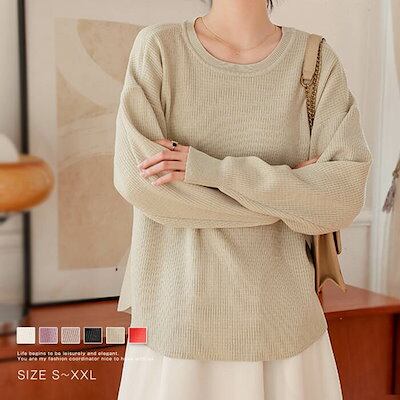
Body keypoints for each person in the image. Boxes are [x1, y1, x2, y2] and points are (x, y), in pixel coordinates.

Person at [114, 0, 373, 398]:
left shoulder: (315, 59)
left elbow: (342, 197)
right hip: (180, 327)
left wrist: (210, 171)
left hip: (283, 329)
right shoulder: (159, 49)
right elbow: (142, 185)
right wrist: (287, 198)